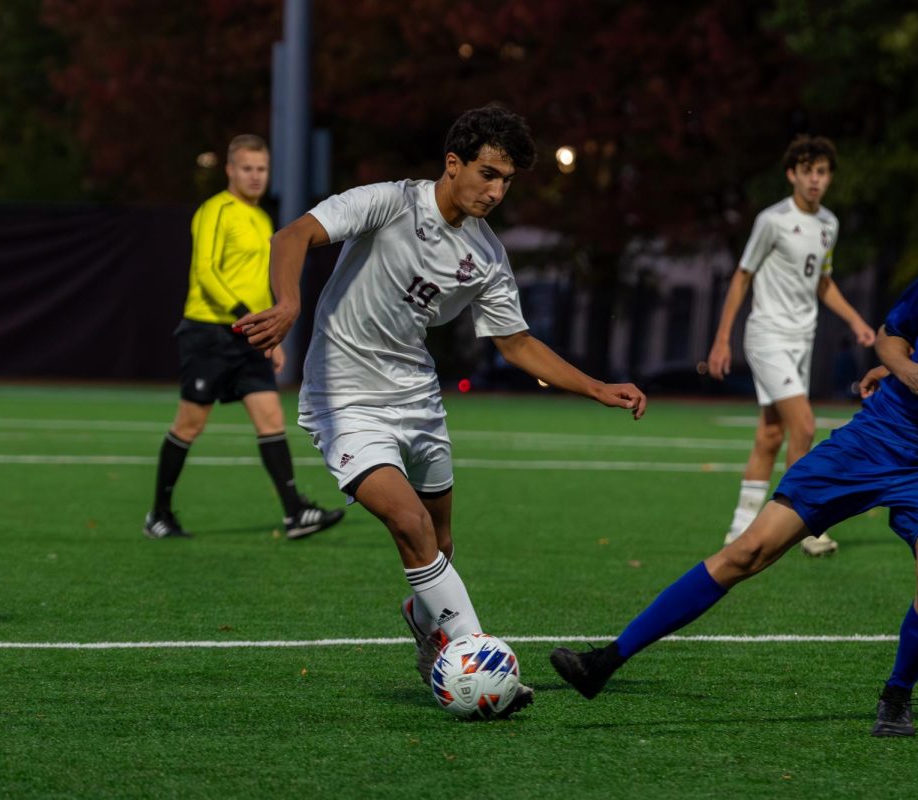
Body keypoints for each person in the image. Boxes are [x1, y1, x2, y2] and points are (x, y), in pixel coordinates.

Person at [550, 155, 918, 737]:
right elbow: (891, 338)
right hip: (878, 437)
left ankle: (897, 697)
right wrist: (903, 373)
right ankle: (607, 661)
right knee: (747, 551)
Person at [235, 105, 647, 718]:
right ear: (452, 164)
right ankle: (481, 661)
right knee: (409, 523)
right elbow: (290, 235)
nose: (496, 190)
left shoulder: (485, 255)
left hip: (417, 397)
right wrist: (289, 302)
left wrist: (594, 386)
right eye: (486, 173)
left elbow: (516, 343)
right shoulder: (389, 202)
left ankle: (425, 621)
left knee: (440, 538)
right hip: (344, 396)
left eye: (506, 180)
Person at [144, 134, 344, 541]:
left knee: (271, 418)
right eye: (247, 169)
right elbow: (206, 272)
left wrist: (270, 334)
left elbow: (261, 284)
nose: (255, 177)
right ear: (231, 170)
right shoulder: (215, 210)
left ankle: (294, 514)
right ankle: (159, 515)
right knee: (189, 424)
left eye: (262, 169)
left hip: (247, 333)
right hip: (209, 333)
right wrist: (247, 319)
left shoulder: (262, 218)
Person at [706, 135, 874, 557]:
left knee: (770, 434)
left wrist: (856, 321)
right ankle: (804, 525)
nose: (815, 180)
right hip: (767, 335)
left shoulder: (829, 224)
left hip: (802, 338)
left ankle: (740, 528)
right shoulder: (772, 220)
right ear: (792, 175)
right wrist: (722, 339)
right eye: (807, 171)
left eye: (822, 172)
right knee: (804, 426)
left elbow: (822, 282)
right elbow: (742, 276)